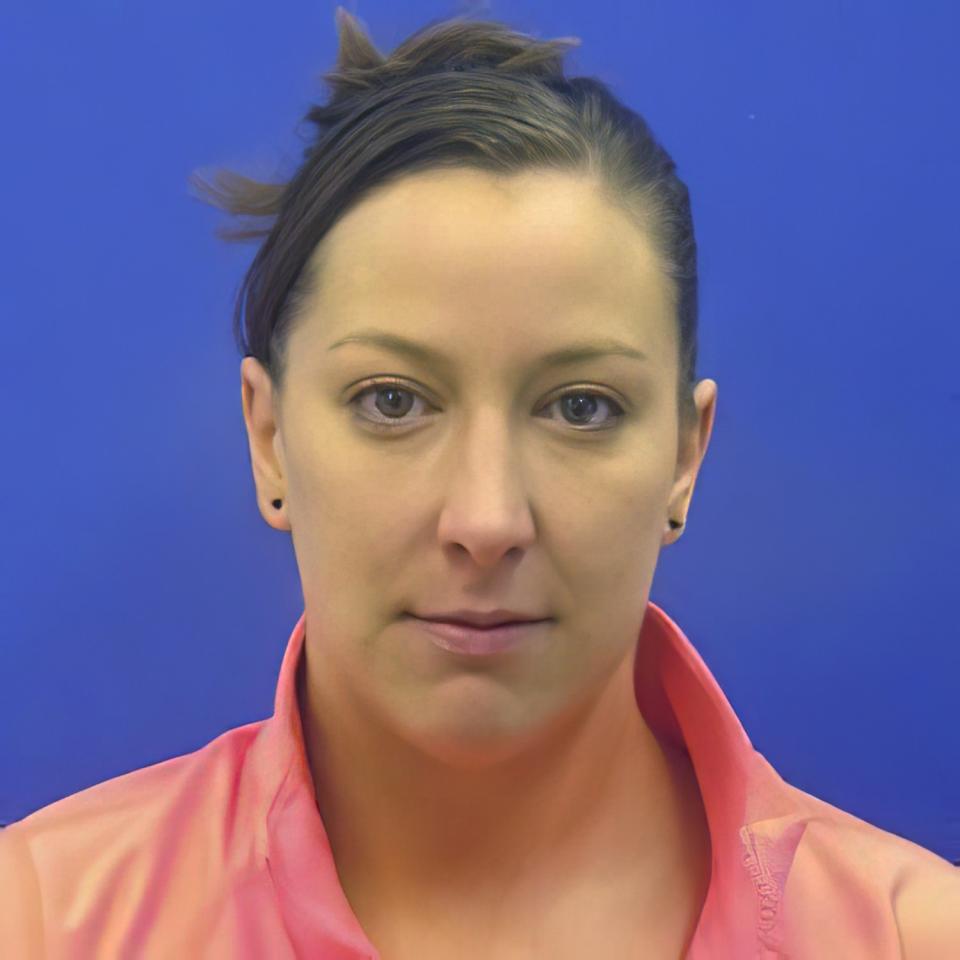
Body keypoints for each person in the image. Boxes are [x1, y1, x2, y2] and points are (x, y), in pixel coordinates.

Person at [1, 8, 958, 958]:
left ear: (683, 457)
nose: (487, 520)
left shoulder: (915, 935)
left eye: (581, 407)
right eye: (391, 401)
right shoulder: (40, 920)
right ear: (270, 440)